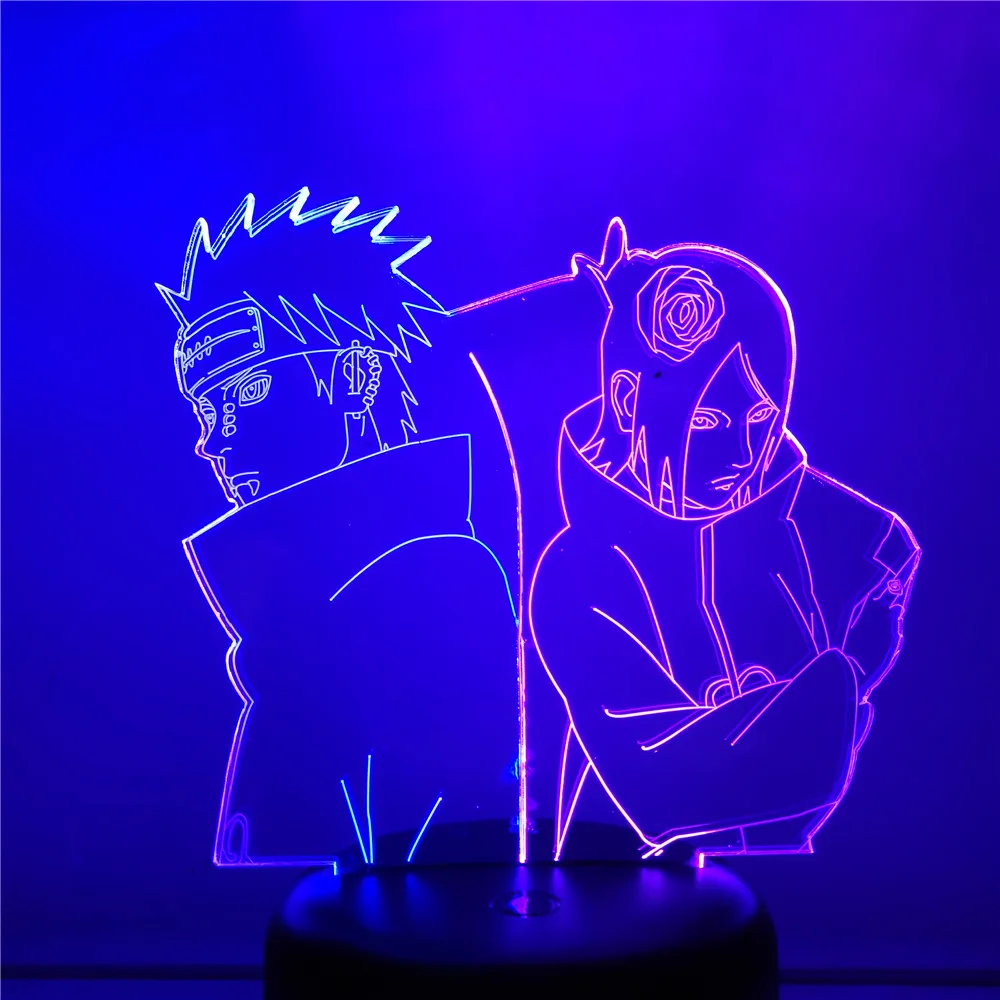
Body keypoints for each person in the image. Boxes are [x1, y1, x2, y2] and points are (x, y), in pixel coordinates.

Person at [528, 219, 920, 860]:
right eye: (709, 420)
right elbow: (661, 784)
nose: (742, 453)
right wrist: (842, 679)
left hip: (857, 898)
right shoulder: (580, 572)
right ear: (626, 400)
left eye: (761, 416)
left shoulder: (851, 541)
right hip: (637, 904)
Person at [158, 190, 520, 866]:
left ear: (355, 376)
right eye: (207, 410)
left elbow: (438, 852)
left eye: (250, 392)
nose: (216, 441)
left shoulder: (435, 575)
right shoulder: (296, 608)